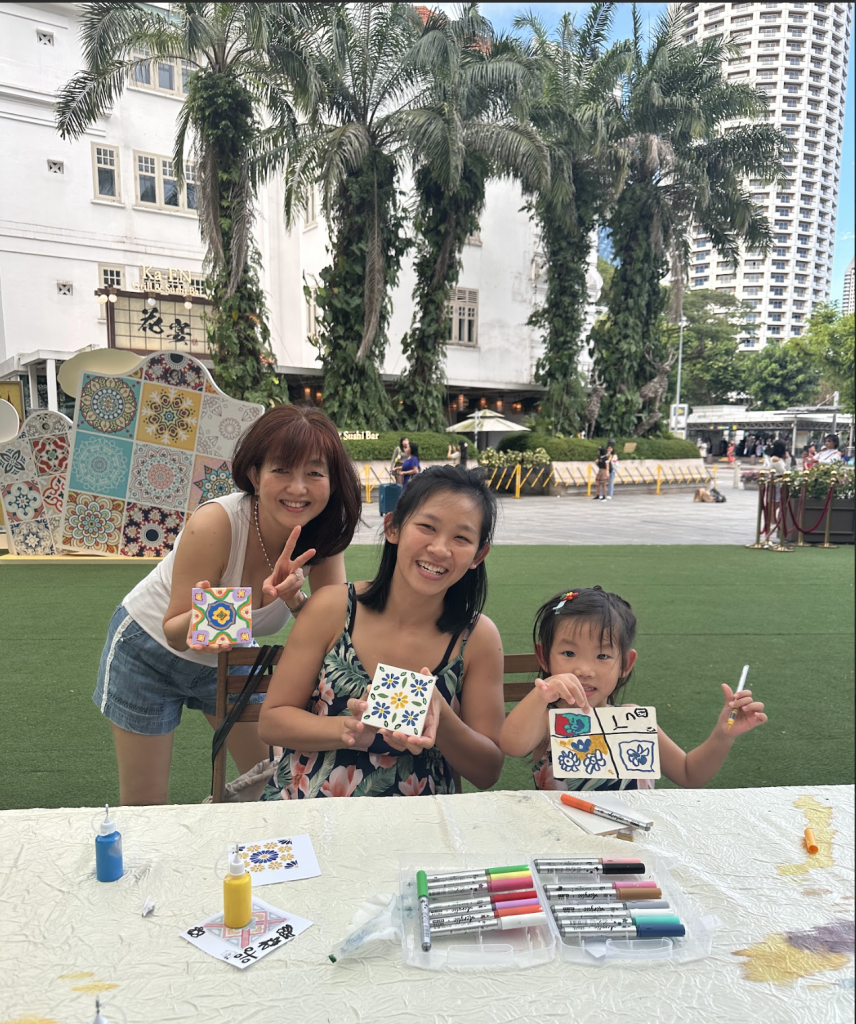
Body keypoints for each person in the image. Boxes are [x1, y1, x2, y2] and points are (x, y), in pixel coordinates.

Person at [93, 405, 362, 806]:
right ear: (254, 474)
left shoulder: (323, 540)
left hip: (231, 657)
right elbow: (175, 630)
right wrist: (248, 605)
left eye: (314, 473)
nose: (298, 488)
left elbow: (331, 637)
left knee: (271, 780)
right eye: (281, 470)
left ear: (333, 480)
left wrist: (293, 600)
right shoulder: (217, 523)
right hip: (147, 652)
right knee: (145, 806)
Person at [258, 466, 506, 798]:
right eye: (427, 527)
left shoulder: (478, 637)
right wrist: (348, 730)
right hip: (308, 807)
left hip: (420, 818)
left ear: (479, 555)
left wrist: (440, 715)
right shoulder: (331, 607)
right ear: (393, 528)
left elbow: (488, 771)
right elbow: (272, 721)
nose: (440, 548)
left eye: (461, 538)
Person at [499, 587, 766, 791]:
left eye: (602, 656)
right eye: (569, 653)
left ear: (625, 664)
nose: (584, 670)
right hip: (566, 841)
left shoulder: (632, 719)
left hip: (631, 841)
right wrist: (540, 695)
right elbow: (512, 744)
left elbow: (689, 774)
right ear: (544, 657)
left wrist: (722, 735)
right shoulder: (548, 720)